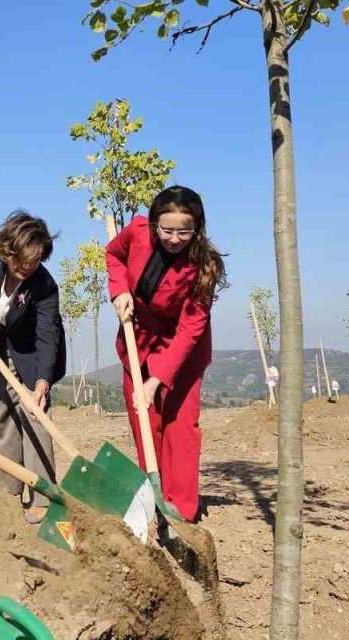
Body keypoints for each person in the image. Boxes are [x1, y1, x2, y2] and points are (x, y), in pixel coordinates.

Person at [107, 186, 226, 523]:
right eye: (167, 230)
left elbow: (192, 327)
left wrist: (157, 379)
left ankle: (180, 510)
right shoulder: (137, 232)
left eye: (184, 231)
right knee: (145, 423)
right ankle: (153, 500)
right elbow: (113, 256)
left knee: (180, 428)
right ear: (154, 223)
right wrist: (118, 292)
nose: (174, 239)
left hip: (182, 352)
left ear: (197, 228)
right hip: (138, 341)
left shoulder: (205, 266)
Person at [0, 211, 66, 525]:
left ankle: (42, 497)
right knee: (6, 420)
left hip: (33, 355)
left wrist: (42, 381)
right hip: (0, 349)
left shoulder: (44, 286)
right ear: (7, 251)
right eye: (22, 261)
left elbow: (47, 335)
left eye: (36, 261)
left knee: (35, 420)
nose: (28, 268)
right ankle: (9, 491)